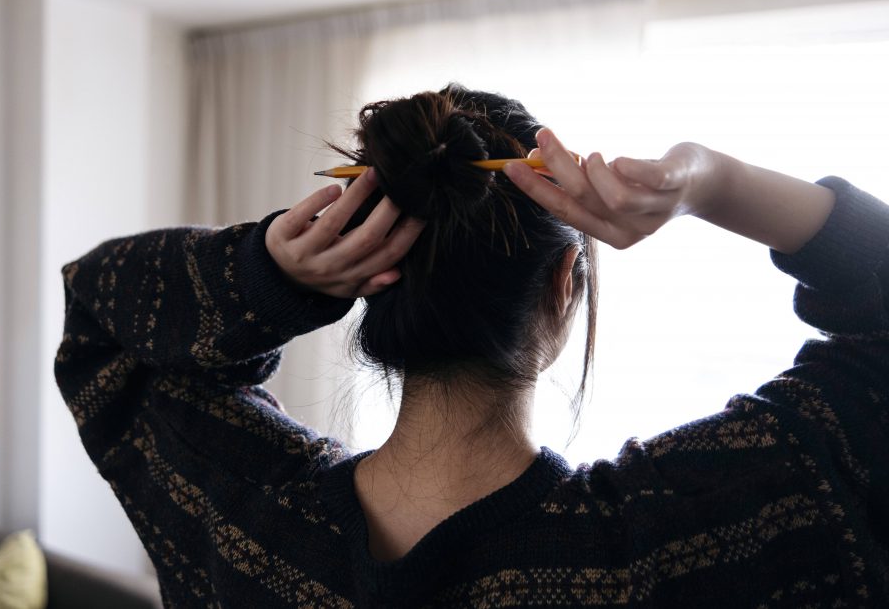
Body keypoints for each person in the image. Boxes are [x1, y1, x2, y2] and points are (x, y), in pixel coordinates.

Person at [54, 85, 888, 607]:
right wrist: (715, 182)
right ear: (564, 284)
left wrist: (265, 271)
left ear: (373, 278)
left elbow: (98, 308)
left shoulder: (243, 517)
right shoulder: (671, 545)